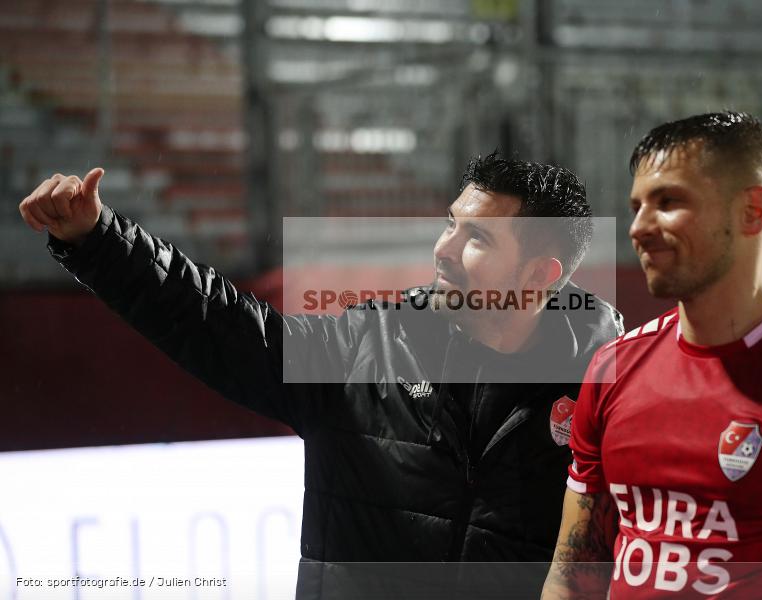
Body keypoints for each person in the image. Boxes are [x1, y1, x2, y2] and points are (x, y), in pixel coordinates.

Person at [19, 152, 622, 598]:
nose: (443, 249)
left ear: (540, 276)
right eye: (450, 224)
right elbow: (216, 324)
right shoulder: (363, 347)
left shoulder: (603, 386)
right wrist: (97, 242)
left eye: (477, 239)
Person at [542, 112, 762, 599]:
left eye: (668, 202)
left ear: (753, 211)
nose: (639, 227)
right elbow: (574, 572)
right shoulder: (613, 367)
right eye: (636, 206)